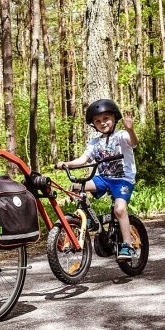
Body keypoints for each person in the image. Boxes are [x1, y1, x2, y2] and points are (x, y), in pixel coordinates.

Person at [55, 99, 139, 260]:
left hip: (123, 179)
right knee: (76, 186)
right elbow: (82, 160)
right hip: (103, 178)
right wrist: (66, 164)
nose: (102, 123)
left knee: (120, 209)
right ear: (93, 124)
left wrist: (131, 130)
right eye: (98, 121)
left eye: (106, 119)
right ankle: (84, 219)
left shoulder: (122, 136)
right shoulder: (94, 143)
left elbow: (134, 142)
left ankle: (127, 246)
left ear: (114, 118)